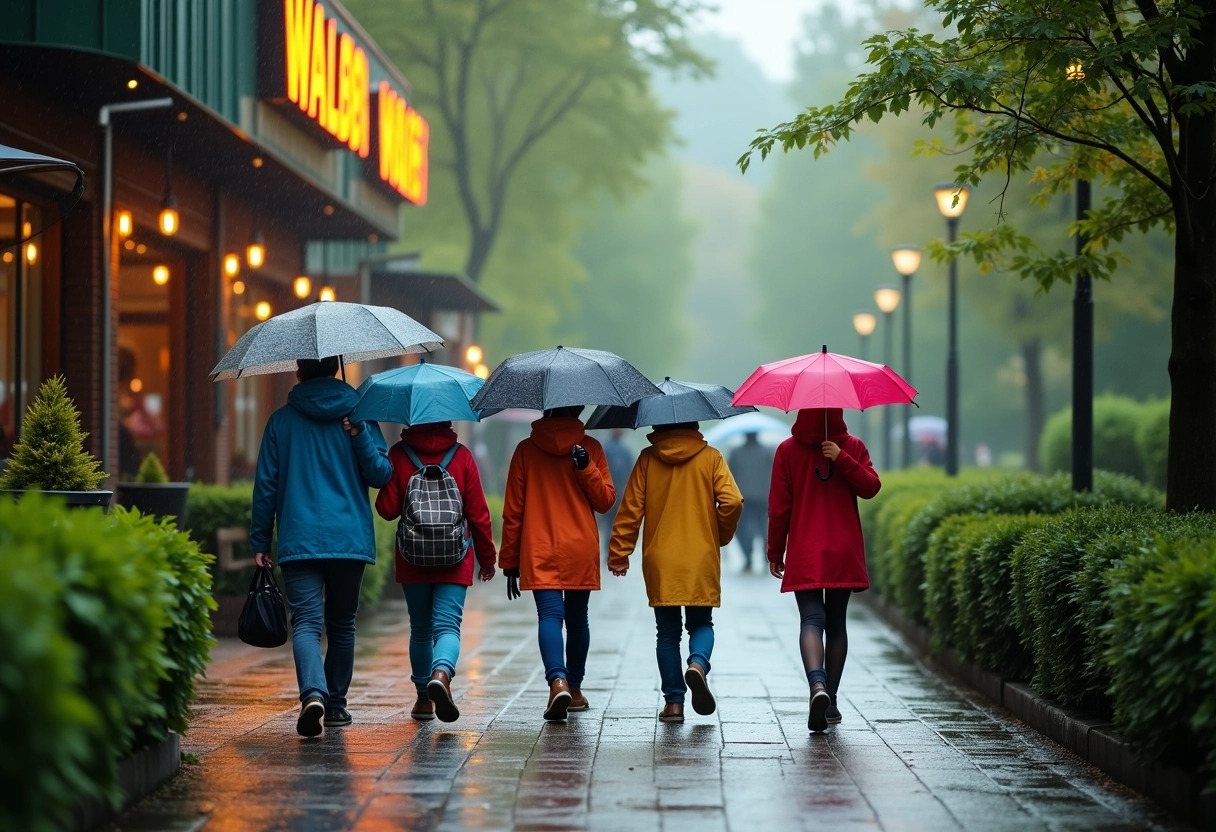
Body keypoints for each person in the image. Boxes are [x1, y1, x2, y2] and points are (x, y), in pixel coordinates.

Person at [251, 357, 392, 738]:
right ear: (336, 369)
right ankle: (335, 707)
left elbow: (266, 485)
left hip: (300, 538)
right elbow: (381, 475)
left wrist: (260, 540)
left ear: (299, 372)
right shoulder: (359, 415)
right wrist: (359, 435)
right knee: (342, 624)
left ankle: (312, 693)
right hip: (348, 540)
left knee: (308, 624)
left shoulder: (281, 421)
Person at [608, 421, 742, 723]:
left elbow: (631, 509)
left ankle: (674, 704)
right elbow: (732, 501)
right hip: (700, 555)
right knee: (701, 623)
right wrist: (718, 534)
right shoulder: (711, 457)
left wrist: (620, 552)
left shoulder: (647, 458)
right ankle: (697, 664)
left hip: (661, 559)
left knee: (667, 633)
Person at [375, 420, 497, 723]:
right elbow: (479, 514)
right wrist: (487, 559)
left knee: (420, 628)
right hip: (455, 556)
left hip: (413, 556)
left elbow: (386, 509)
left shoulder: (399, 454)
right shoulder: (462, 455)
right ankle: (441, 674)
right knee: (447, 627)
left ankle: (422, 700)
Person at [499, 405, 616, 721]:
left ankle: (557, 682)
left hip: (539, 546)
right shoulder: (590, 448)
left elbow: (514, 511)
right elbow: (605, 502)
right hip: (580, 547)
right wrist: (586, 467)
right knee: (578, 618)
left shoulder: (525, 450)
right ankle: (574, 690)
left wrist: (509, 559)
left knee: (549, 615)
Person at [767, 407, 880, 733]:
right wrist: (845, 457)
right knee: (836, 623)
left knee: (811, 620)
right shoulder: (854, 446)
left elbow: (779, 507)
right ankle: (829, 700)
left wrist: (776, 550)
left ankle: (816, 685)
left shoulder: (788, 450)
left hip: (805, 550)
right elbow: (871, 486)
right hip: (843, 550)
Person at [727, 431, 775, 571]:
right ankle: (766, 558)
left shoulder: (736, 453)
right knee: (764, 528)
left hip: (743, 497)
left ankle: (748, 557)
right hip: (763, 496)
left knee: (742, 529)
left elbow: (729, 475)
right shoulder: (767, 451)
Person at [597, 428, 635, 560]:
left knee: (609, 523)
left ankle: (609, 551)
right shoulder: (621, 451)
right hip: (614, 491)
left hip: (609, 491)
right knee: (612, 523)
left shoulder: (606, 449)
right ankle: (611, 551)